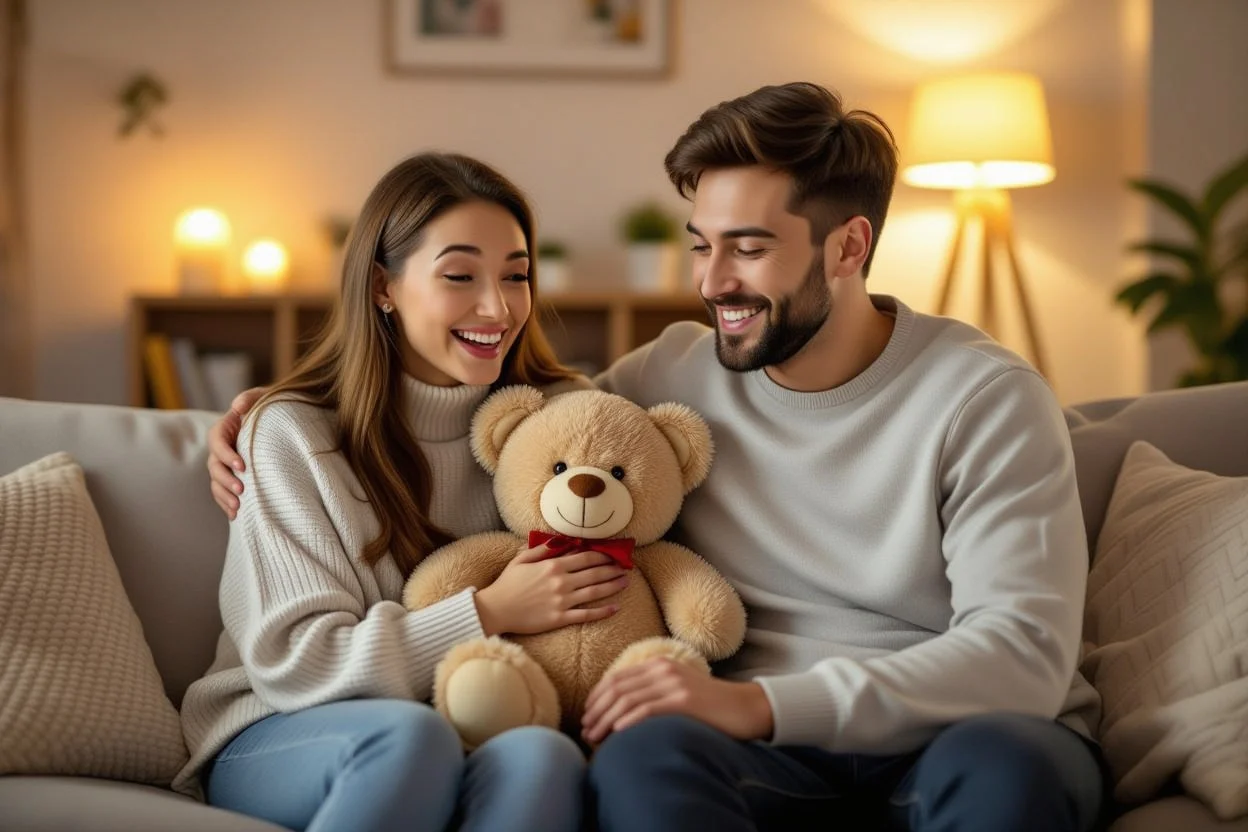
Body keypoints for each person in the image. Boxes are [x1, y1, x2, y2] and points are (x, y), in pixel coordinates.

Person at [208, 84, 1107, 831]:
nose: (713, 282)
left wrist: (759, 704)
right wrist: (266, 414)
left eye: (748, 249)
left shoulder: (986, 397)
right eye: (703, 246)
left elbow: (1022, 653)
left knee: (1010, 769)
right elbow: (553, 442)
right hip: (752, 746)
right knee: (642, 759)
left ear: (849, 247)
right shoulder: (672, 372)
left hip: (954, 730)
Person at [179, 152, 628, 832]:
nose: (497, 307)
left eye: (517, 275)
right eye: (459, 275)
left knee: (544, 757)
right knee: (409, 740)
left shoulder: (557, 427)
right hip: (283, 726)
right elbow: (295, 666)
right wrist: (491, 610)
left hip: (470, 722)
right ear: (384, 286)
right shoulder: (294, 433)